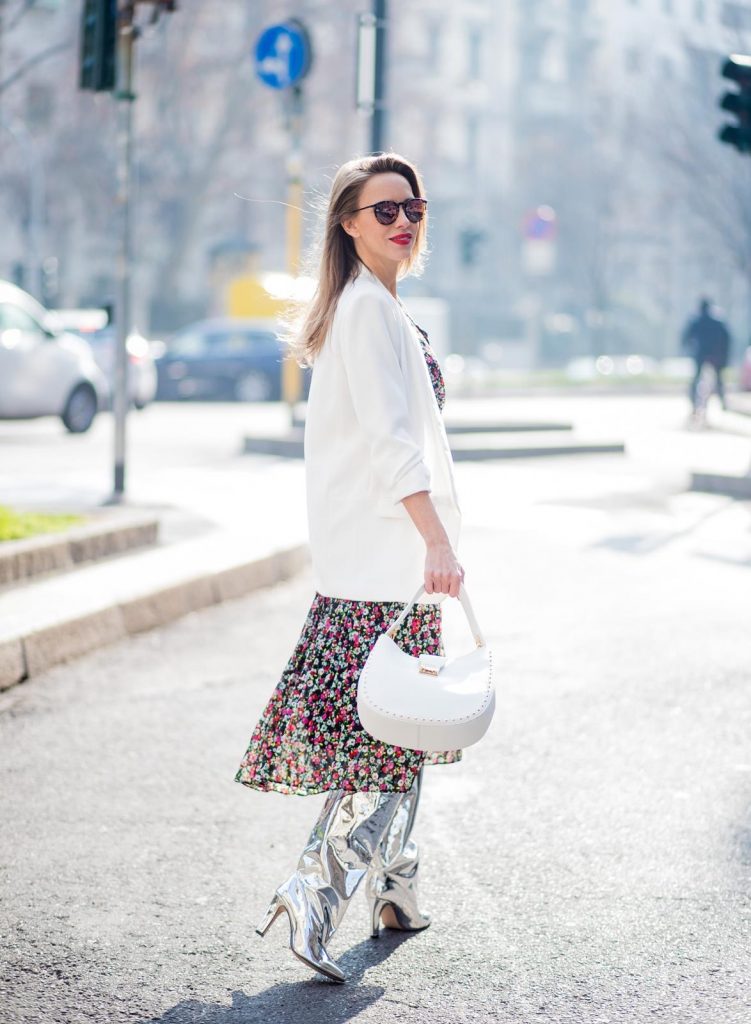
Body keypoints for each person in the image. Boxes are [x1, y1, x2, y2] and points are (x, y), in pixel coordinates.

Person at [234, 153, 465, 983]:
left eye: (413, 206)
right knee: (384, 746)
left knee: (402, 735)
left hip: (386, 568)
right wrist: (436, 540)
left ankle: (396, 890)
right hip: (383, 568)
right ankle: (314, 890)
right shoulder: (366, 312)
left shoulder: (379, 306)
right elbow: (390, 443)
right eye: (383, 210)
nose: (403, 220)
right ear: (346, 223)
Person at [681, 298, 732, 413]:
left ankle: (694, 402)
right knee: (718, 378)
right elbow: (726, 338)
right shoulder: (718, 321)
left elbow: (686, 337)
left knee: (696, 378)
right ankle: (722, 401)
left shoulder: (696, 320)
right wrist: (724, 354)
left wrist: (688, 348)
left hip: (701, 354)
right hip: (715, 354)